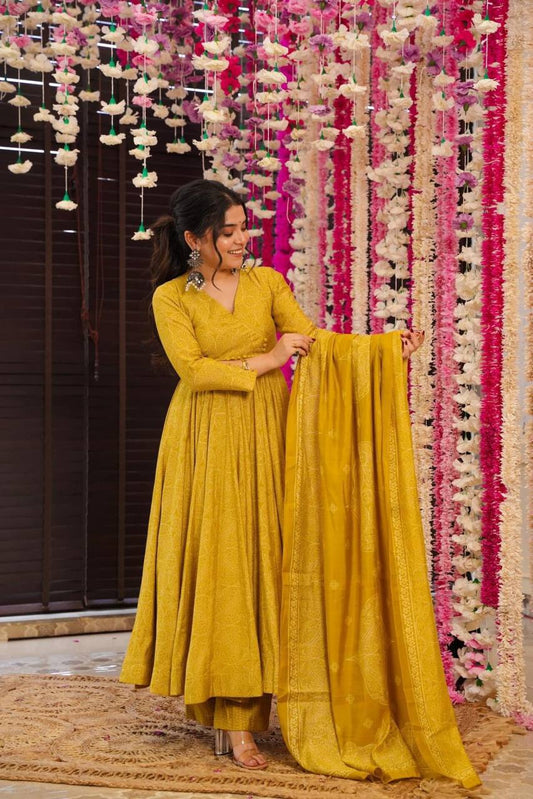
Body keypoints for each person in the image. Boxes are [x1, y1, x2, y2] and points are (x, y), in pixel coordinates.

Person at [120, 179, 478, 788]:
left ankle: (266, 702)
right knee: (227, 566)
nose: (240, 240)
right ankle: (233, 720)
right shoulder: (172, 299)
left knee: (273, 562)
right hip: (205, 439)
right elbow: (197, 372)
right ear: (193, 240)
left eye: (242, 228)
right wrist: (267, 361)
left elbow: (313, 344)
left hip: (271, 433)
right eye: (227, 232)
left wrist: (384, 348)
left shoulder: (266, 284)